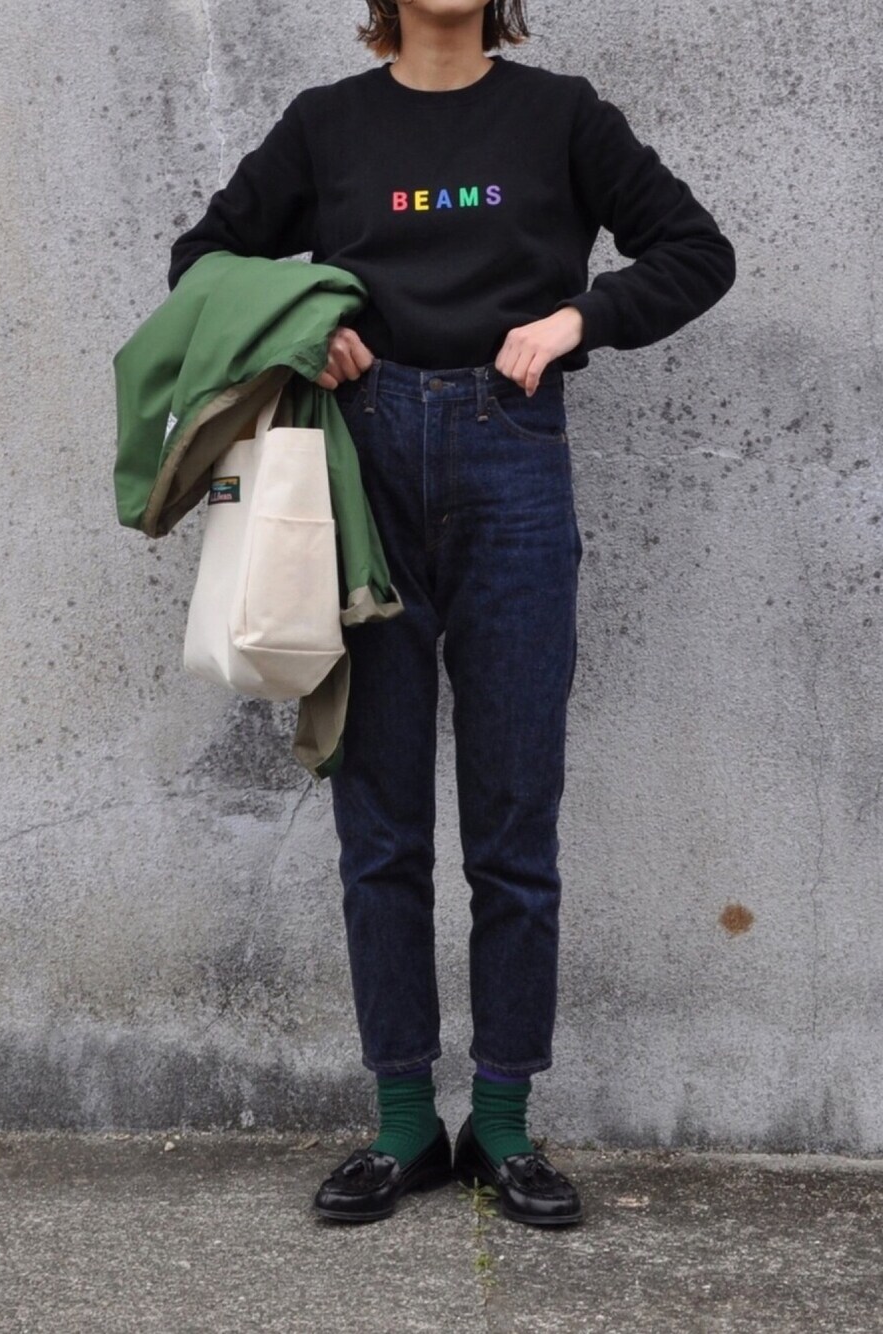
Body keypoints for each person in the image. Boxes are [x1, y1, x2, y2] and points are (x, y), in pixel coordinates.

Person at [167, 0, 736, 1227]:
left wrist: (581, 317)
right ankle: (402, 1125)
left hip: (512, 463)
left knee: (513, 821)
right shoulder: (326, 125)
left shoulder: (561, 117)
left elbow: (697, 251)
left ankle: (505, 1125)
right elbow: (203, 259)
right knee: (379, 821)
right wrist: (306, 327)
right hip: (359, 479)